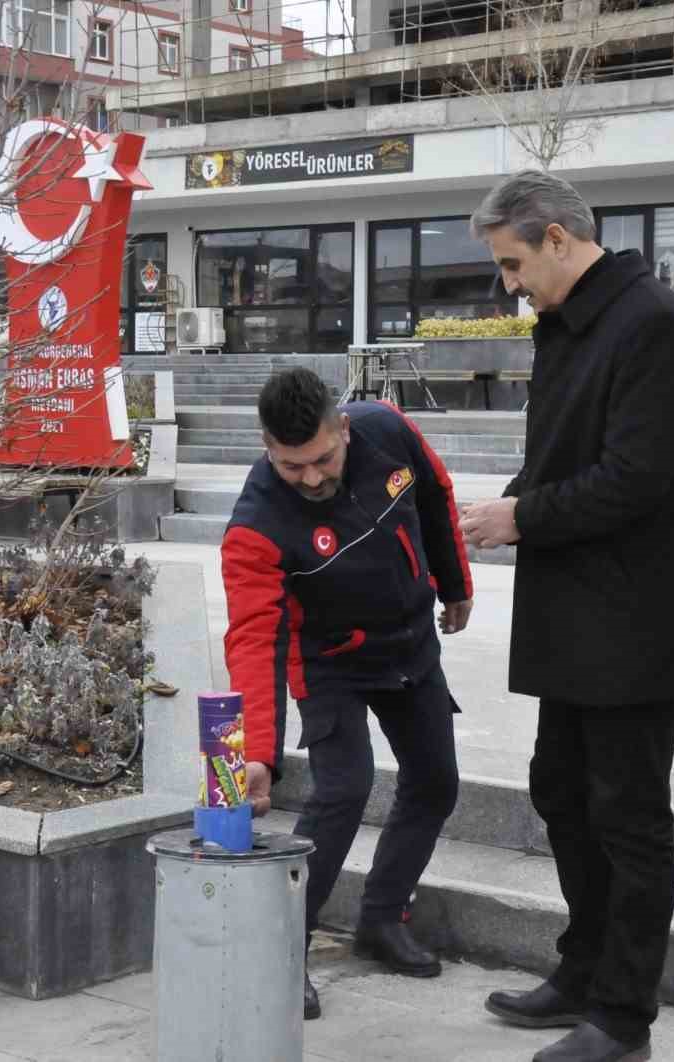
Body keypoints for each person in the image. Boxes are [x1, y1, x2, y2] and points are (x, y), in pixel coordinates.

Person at [459, 170, 674, 1062]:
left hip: (637, 626)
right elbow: (560, 455)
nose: (509, 283)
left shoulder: (653, 326)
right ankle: (583, 968)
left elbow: (634, 483)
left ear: (558, 239)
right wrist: (505, 504)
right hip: (573, 616)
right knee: (562, 795)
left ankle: (623, 1017)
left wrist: (522, 517)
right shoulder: (569, 326)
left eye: (512, 262)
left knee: (629, 818)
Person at [220, 368, 473, 1022]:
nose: (309, 478)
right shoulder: (255, 524)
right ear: (266, 447)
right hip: (329, 660)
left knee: (436, 781)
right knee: (343, 788)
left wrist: (455, 585)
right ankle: (284, 948)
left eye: (322, 459)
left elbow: (439, 496)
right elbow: (253, 637)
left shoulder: (389, 431)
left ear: (345, 429)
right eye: (289, 465)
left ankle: (383, 917)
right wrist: (258, 755)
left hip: (411, 642)